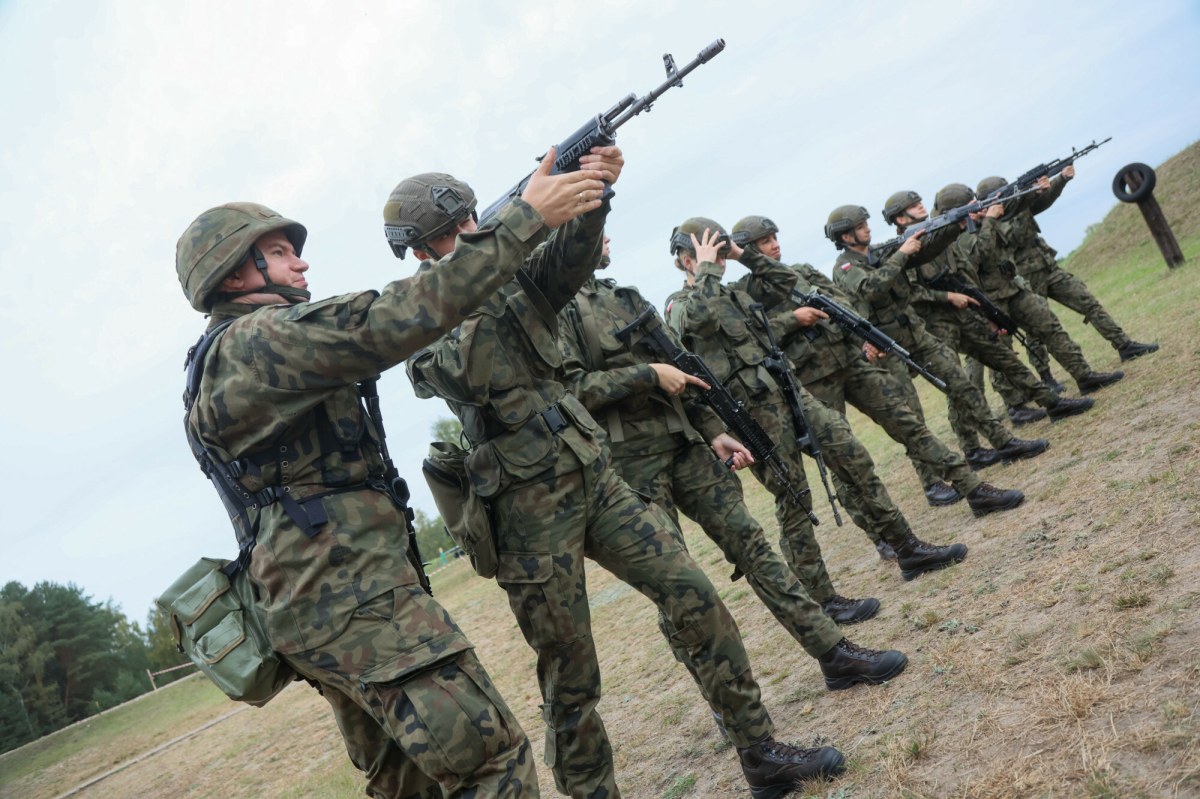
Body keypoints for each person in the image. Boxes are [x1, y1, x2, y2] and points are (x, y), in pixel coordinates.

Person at [398, 156, 847, 798]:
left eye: (474, 214)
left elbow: (571, 261)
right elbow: (466, 367)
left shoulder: (517, 276)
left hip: (591, 472)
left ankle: (760, 753)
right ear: (419, 249)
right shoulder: (416, 315)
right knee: (571, 674)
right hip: (523, 508)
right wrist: (498, 245)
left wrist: (592, 192)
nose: (473, 226)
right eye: (455, 225)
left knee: (694, 593)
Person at [176, 152, 604, 799]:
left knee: (407, 782)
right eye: (280, 251)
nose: (301, 261)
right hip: (354, 601)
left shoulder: (231, 358)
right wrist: (524, 220)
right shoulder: (255, 344)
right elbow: (387, 320)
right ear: (234, 274)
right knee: (490, 759)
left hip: (322, 602)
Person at [558, 234, 908, 696]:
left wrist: (712, 429)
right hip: (627, 467)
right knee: (676, 589)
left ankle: (834, 653)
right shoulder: (555, 312)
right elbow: (570, 390)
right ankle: (726, 702)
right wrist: (646, 376)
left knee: (754, 546)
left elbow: (678, 369)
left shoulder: (620, 296)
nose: (603, 237)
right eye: (590, 227)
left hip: (685, 445)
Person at [664, 218, 972, 589]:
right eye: (706, 252)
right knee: (795, 499)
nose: (718, 260)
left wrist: (744, 255)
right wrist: (709, 268)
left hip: (790, 393)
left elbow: (790, 281)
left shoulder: (736, 293)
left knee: (854, 458)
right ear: (686, 259)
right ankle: (822, 598)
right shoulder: (676, 305)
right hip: (751, 417)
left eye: (719, 251)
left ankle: (907, 548)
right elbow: (700, 317)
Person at [730, 214, 1022, 522]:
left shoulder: (799, 272)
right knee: (843, 458)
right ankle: (879, 530)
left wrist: (861, 339)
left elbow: (842, 302)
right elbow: (751, 339)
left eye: (775, 238)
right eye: (765, 241)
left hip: (851, 362)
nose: (775, 245)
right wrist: (793, 319)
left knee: (907, 423)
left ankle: (973, 488)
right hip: (811, 381)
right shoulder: (743, 293)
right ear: (746, 249)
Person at [828, 203, 1054, 475]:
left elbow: (925, 256)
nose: (867, 228)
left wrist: (952, 228)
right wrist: (901, 254)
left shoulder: (881, 251)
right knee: (911, 417)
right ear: (846, 236)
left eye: (866, 223)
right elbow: (870, 289)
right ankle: (931, 483)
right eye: (860, 226)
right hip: (887, 345)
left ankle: (1003, 442)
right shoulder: (845, 267)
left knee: (962, 385)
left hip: (916, 333)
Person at [876, 191, 1095, 456]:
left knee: (1004, 357)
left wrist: (986, 314)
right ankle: (972, 449)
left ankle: (1053, 403)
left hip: (964, 314)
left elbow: (966, 273)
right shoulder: (899, 249)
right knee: (957, 387)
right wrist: (947, 296)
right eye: (912, 205)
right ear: (899, 217)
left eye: (919, 201)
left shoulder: (937, 235)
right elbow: (910, 292)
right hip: (934, 323)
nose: (920, 205)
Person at [972, 168, 1158, 414]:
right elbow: (1010, 237)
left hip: (1047, 265)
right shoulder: (993, 221)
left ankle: (1124, 345)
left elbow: (1044, 201)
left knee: (1086, 302)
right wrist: (1008, 208)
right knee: (1037, 331)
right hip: (1025, 275)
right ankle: (1046, 376)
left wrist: (1059, 181)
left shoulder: (1018, 205)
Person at [930, 183, 1126, 402]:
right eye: (971, 205)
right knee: (1002, 353)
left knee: (1049, 326)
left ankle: (1084, 375)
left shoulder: (980, 222)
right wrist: (990, 221)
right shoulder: (954, 235)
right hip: (990, 300)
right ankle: (1016, 405)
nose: (978, 207)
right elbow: (979, 256)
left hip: (1012, 289)